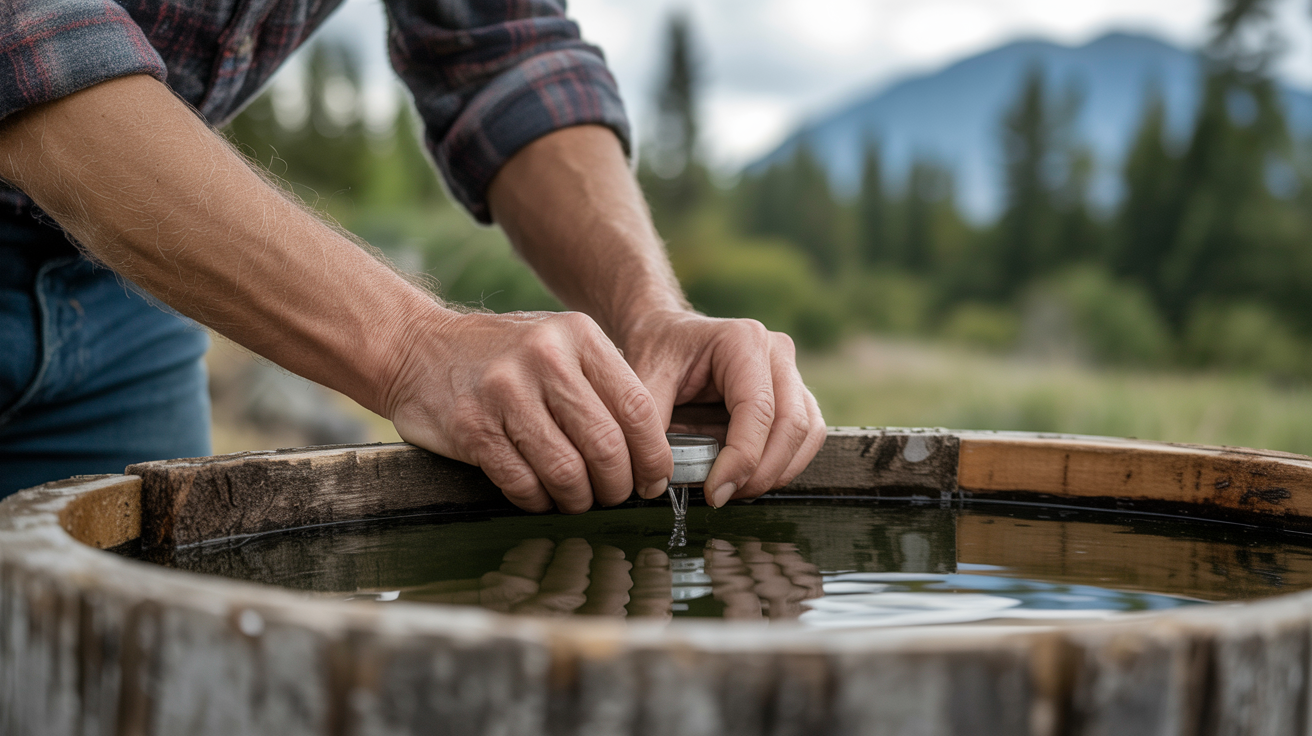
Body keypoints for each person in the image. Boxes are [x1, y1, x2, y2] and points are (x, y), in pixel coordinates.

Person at [0, 0, 826, 511]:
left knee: (119, 676)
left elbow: (505, 51)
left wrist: (651, 314)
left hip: (126, 286)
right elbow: (26, 34)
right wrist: (410, 349)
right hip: (127, 227)